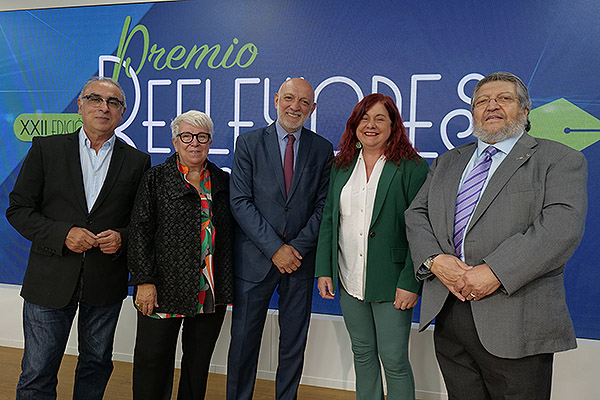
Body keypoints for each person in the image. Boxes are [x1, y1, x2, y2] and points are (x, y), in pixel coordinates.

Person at [405, 71, 588, 400]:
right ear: (473, 112)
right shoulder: (448, 161)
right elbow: (416, 214)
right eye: (482, 101)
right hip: (449, 312)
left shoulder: (559, 159)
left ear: (525, 111)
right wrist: (434, 261)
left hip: (515, 317)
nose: (492, 106)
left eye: (504, 98)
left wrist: (494, 272)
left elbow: (561, 228)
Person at [6, 76, 151, 400]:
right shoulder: (47, 148)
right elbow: (18, 209)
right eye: (96, 99)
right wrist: (63, 234)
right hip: (49, 280)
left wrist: (123, 238)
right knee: (37, 370)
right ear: (80, 104)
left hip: (105, 282)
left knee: (96, 365)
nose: (104, 107)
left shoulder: (137, 161)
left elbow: (141, 223)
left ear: (123, 111)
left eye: (113, 102)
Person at [315, 94, 428, 400]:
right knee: (362, 354)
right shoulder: (341, 166)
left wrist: (410, 282)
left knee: (393, 360)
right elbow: (329, 220)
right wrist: (324, 270)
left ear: (394, 125)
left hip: (393, 283)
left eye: (380, 118)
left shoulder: (412, 167)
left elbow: (421, 231)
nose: (371, 125)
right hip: (349, 278)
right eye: (364, 118)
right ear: (355, 125)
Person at [226, 78, 333, 400]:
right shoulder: (248, 143)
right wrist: (275, 249)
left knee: (293, 343)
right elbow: (240, 202)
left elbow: (323, 206)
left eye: (303, 102)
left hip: (299, 263)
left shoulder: (322, 148)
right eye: (289, 98)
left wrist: (295, 249)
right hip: (256, 260)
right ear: (276, 100)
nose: (295, 107)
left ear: (312, 108)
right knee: (244, 341)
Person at [128, 110, 235, 400]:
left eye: (201, 137)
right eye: (186, 136)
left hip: (210, 291)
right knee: (152, 363)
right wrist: (144, 281)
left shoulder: (223, 182)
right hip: (163, 288)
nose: (194, 143)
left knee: (197, 367)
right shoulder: (156, 178)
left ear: (210, 141)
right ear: (175, 142)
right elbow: (139, 231)